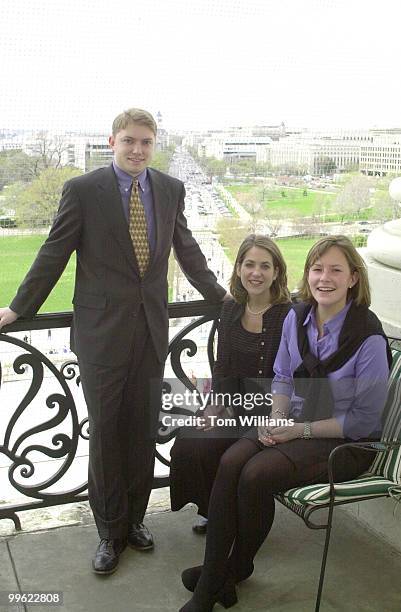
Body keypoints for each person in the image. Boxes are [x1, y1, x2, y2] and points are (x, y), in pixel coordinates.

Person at [0, 107, 226, 575]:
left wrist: (223, 299)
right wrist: (18, 310)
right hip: (101, 336)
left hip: (150, 331)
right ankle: (109, 531)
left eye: (145, 142)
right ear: (112, 142)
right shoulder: (84, 191)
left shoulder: (169, 189)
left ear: (153, 145)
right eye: (129, 141)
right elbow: (54, 252)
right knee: (105, 434)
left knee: (142, 429)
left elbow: (186, 248)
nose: (137, 149)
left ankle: (135, 520)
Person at [179, 235, 392, 611]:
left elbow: (363, 419)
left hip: (345, 442)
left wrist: (299, 429)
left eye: (336, 270)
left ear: (354, 278)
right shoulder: (298, 318)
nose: (324, 278)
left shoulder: (367, 335)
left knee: (256, 473)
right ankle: (220, 576)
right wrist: (275, 417)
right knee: (231, 461)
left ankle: (225, 575)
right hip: (294, 422)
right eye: (317, 268)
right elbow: (281, 376)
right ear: (307, 274)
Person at [170, 235, 291, 533]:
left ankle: (237, 517)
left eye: (265, 266)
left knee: (229, 455)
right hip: (237, 409)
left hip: (274, 413)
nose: (256, 273)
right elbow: (222, 366)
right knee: (191, 440)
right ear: (238, 269)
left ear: (276, 272)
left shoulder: (289, 314)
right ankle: (214, 510)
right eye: (249, 264)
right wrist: (215, 407)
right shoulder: (231, 309)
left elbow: (291, 375)